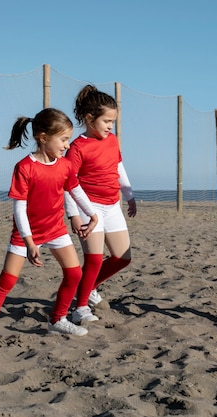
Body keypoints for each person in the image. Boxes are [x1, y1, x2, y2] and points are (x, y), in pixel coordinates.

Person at [0, 108, 99, 344]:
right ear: (43, 138)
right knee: (7, 281)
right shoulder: (25, 167)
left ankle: (57, 320)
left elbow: (75, 190)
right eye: (63, 140)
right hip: (26, 235)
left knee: (74, 274)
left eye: (68, 140)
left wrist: (92, 214)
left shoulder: (64, 165)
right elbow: (19, 209)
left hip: (56, 229)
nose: (66, 145)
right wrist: (30, 242)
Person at [64, 84, 136, 324]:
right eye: (106, 121)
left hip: (112, 206)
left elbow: (118, 167)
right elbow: (68, 183)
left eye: (113, 122)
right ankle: (80, 307)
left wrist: (129, 194)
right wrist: (74, 215)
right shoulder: (77, 147)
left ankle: (87, 287)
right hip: (88, 209)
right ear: (89, 118)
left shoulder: (112, 140)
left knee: (122, 257)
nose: (110, 126)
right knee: (94, 259)